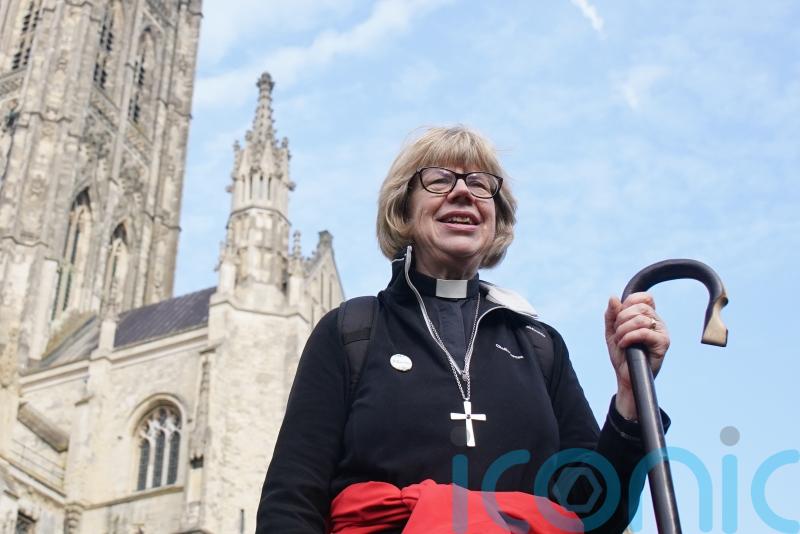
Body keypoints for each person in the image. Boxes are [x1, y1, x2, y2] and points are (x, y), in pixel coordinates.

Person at [256, 126, 671, 533]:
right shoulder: (351, 331)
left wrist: (631, 398)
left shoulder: (540, 346)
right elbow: (292, 502)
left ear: (496, 217)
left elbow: (596, 514)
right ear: (403, 209)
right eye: (438, 180)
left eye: (480, 183)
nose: (462, 192)